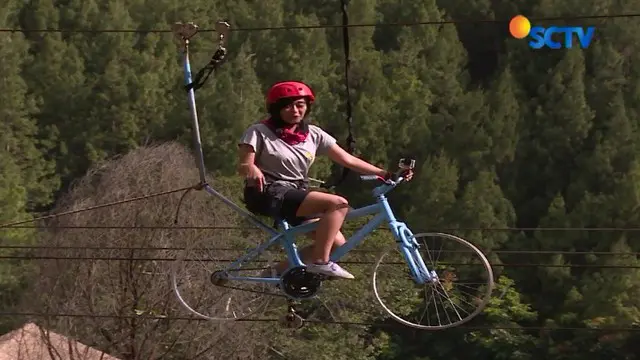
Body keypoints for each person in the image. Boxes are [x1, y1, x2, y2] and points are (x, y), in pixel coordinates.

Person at [237, 80, 413, 280]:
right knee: (338, 204)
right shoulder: (258, 131)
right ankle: (321, 263)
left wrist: (385, 173)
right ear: (276, 109)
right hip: (267, 193)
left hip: (296, 194)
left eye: (300, 105)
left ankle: (274, 274)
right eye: (288, 106)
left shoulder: (313, 134)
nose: (295, 110)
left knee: (336, 243)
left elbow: (347, 159)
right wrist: (251, 168)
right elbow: (243, 165)